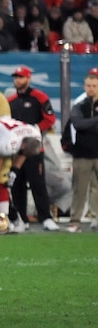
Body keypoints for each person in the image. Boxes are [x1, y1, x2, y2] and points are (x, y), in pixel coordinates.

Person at [5, 65, 57, 227]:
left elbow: (50, 119)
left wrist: (36, 129)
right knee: (17, 185)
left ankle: (46, 217)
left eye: (20, 77)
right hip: (16, 150)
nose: (17, 80)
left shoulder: (39, 97)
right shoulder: (11, 101)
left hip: (34, 150)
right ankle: (22, 218)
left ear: (28, 79)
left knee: (38, 184)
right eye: (16, 77)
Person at [0, 116, 49, 233]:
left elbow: (24, 152)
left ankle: (7, 216)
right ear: (21, 145)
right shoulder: (7, 144)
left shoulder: (35, 135)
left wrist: (14, 170)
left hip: (3, 131)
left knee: (5, 177)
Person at [68, 70, 98, 231]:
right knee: (79, 189)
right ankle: (75, 220)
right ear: (84, 86)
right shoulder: (79, 105)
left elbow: (83, 124)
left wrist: (89, 123)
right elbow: (78, 124)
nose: (91, 88)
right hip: (82, 154)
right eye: (88, 85)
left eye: (94, 85)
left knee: (96, 189)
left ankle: (96, 217)